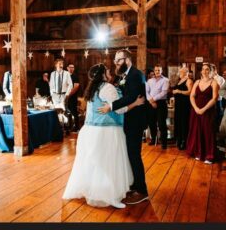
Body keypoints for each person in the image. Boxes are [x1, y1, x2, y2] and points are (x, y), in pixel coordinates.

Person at [62, 63, 141, 209]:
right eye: (107, 70)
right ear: (103, 74)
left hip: (90, 129)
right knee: (109, 163)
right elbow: (120, 109)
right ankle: (109, 195)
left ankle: (94, 190)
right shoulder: (108, 87)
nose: (110, 71)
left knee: (96, 164)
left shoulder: (91, 89)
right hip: (107, 130)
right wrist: (135, 103)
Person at [97, 49, 148, 204]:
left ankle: (142, 190)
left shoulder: (135, 75)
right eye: (115, 61)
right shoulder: (125, 76)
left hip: (136, 121)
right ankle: (135, 184)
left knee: (134, 154)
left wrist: (111, 106)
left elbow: (131, 97)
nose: (116, 64)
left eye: (118, 60)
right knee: (131, 153)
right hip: (129, 120)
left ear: (127, 60)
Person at [186, 62, 219, 164]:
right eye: (203, 69)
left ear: (211, 71)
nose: (205, 71)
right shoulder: (197, 82)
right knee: (197, 131)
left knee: (208, 132)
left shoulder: (214, 83)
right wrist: (196, 108)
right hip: (196, 110)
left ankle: (209, 155)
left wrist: (203, 109)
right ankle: (198, 152)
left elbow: (214, 99)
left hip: (208, 111)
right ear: (201, 71)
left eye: (207, 69)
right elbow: (192, 96)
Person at [145, 64, 169, 148]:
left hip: (161, 103)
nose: (157, 72)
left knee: (162, 123)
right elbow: (146, 92)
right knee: (151, 123)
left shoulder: (165, 80)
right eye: (156, 70)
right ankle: (153, 139)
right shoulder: (149, 81)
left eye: (159, 70)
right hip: (151, 103)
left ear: (161, 71)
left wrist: (153, 99)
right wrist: (151, 101)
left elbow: (164, 92)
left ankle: (164, 142)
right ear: (154, 71)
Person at [171, 64, 193, 149]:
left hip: (185, 105)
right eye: (179, 71)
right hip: (178, 104)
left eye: (181, 71)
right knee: (178, 122)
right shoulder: (179, 80)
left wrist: (179, 91)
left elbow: (190, 92)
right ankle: (178, 139)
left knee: (184, 122)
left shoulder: (189, 80)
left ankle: (184, 141)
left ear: (185, 72)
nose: (179, 73)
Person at [65, 63, 81, 132]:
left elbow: (76, 87)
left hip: (72, 98)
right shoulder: (65, 76)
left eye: (73, 67)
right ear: (67, 68)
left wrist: (68, 95)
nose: (71, 69)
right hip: (65, 98)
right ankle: (68, 127)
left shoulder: (75, 77)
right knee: (66, 112)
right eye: (70, 67)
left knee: (74, 112)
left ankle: (77, 127)